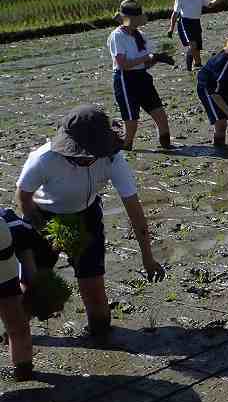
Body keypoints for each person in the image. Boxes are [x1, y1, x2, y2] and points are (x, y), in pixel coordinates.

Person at [16, 106, 165, 340]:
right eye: (78, 155)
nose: (85, 160)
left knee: (93, 286)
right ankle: (15, 337)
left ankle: (101, 333)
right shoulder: (43, 159)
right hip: (43, 216)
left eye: (90, 155)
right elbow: (24, 197)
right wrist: (43, 231)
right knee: (31, 287)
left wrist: (147, 256)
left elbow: (133, 208)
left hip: (87, 216)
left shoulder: (113, 158)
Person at [0, 209, 59, 381]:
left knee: (17, 325)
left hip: (5, 259)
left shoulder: (16, 229)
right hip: (5, 261)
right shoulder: (14, 227)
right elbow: (32, 266)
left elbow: (32, 267)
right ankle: (23, 372)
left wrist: (38, 295)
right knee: (17, 325)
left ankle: (23, 372)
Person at [108, 0, 173, 151]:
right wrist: (148, 57)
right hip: (125, 79)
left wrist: (157, 59)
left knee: (161, 116)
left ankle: (168, 146)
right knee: (131, 122)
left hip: (142, 78)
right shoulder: (117, 36)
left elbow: (146, 64)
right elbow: (123, 64)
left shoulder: (141, 35)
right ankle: (125, 148)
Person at [168, 0, 212, 72]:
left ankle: (197, 64)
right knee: (192, 45)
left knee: (197, 46)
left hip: (196, 22)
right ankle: (189, 69)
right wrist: (171, 28)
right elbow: (175, 14)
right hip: (185, 22)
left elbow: (209, 5)